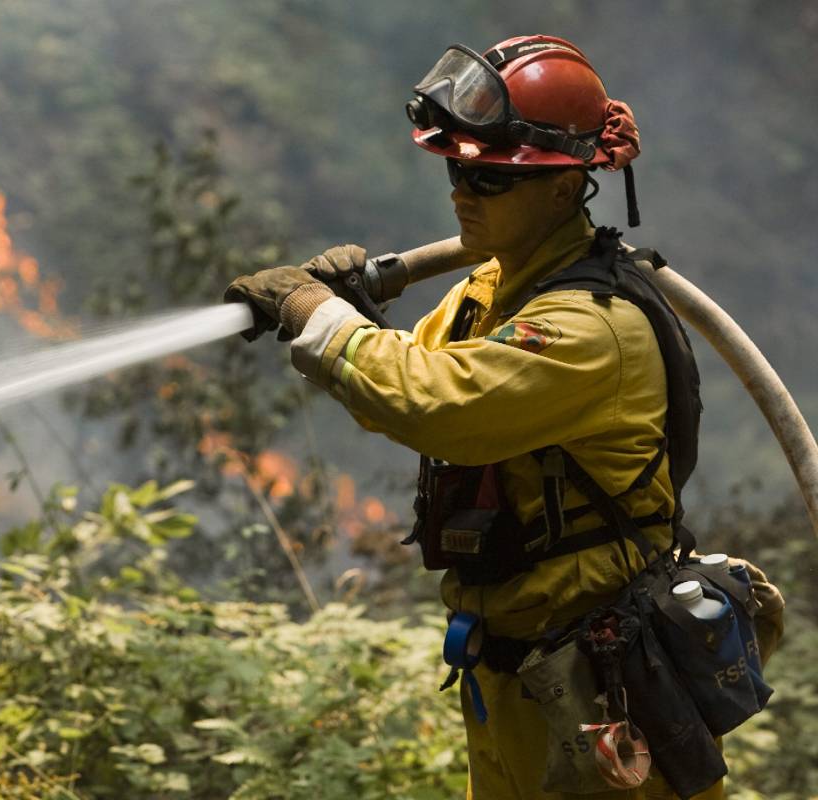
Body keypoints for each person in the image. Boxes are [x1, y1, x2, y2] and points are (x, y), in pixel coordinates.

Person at [224, 35, 784, 799]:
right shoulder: (494, 289)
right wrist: (345, 317)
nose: (462, 192)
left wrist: (316, 315)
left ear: (562, 188)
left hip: (604, 699)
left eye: (489, 176)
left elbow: (433, 406)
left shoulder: (593, 328)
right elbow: (407, 372)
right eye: (458, 168)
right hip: (514, 681)